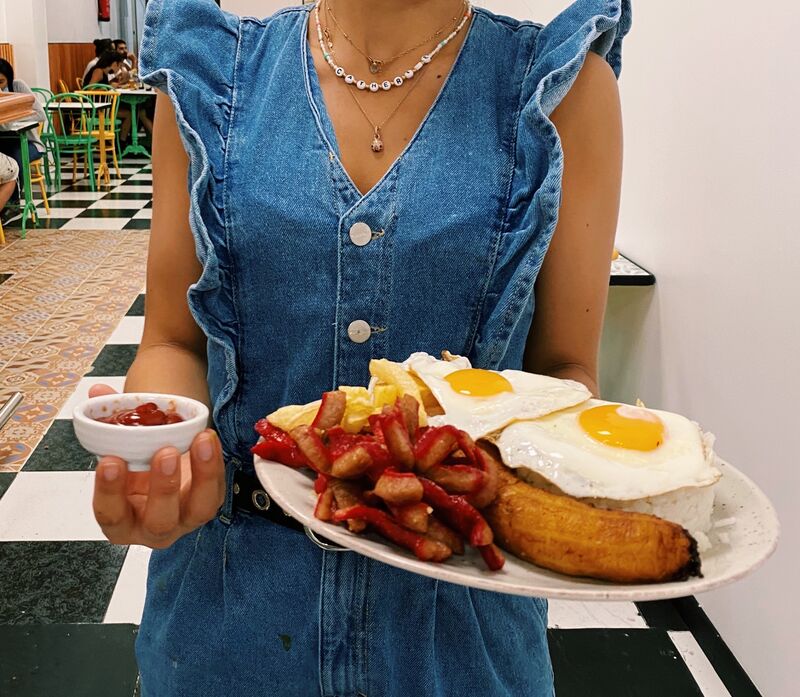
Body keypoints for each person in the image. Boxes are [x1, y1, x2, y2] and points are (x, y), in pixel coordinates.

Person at [91, 0, 630, 695]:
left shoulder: (566, 90)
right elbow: (172, 339)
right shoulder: (212, 80)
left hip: (460, 638)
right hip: (226, 623)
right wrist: (165, 457)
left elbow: (564, 369)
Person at [0, 58, 45, 204]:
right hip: (4, 142)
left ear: (9, 78)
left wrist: (14, 118)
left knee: (16, 159)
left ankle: (13, 201)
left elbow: (40, 114)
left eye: (1, 82)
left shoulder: (17, 86)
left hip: (29, 143)